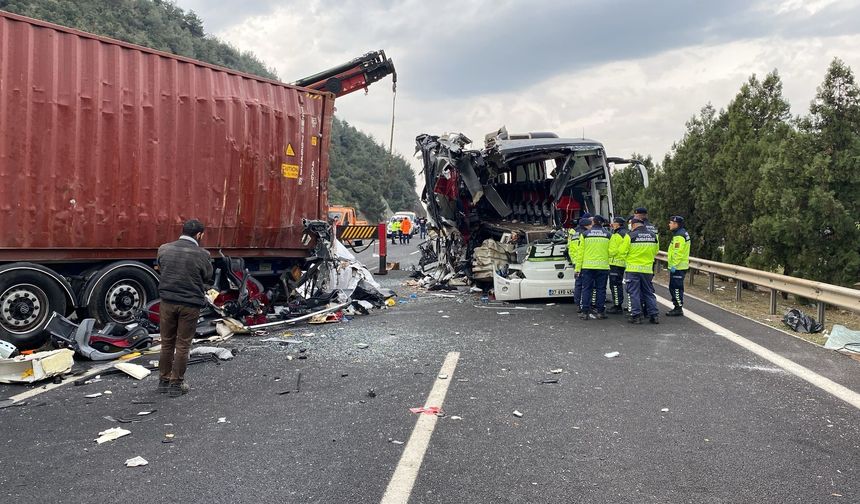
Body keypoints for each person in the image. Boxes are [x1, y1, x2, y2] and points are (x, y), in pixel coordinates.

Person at [157, 219, 213, 397]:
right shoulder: (202, 254)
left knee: (167, 342)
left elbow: (161, 268)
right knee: (183, 344)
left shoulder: (164, 249)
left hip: (167, 302)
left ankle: (163, 381)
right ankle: (176, 384)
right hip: (190, 305)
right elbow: (207, 277)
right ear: (199, 235)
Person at [618, 218, 660, 324]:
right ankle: (654, 315)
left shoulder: (630, 236)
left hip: (633, 269)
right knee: (649, 292)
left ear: (634, 225)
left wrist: (627, 260)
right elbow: (656, 251)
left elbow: (622, 252)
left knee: (634, 293)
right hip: (647, 269)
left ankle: (636, 316)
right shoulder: (653, 236)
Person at [576, 216, 611, 320]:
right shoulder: (608, 235)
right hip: (603, 266)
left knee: (587, 289)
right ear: (602, 223)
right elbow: (613, 251)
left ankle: (585, 312)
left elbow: (580, 253)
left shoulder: (585, 234)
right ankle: (600, 312)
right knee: (601, 289)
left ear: (593, 222)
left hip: (587, 266)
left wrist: (577, 268)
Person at [666, 215, 691, 316]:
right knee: (674, 287)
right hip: (680, 266)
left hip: (678, 267)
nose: (669, 224)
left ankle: (678, 308)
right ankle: (677, 306)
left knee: (676, 288)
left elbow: (678, 252)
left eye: (671, 223)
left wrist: (674, 265)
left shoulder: (679, 236)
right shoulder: (681, 233)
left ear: (676, 224)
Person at [568, 214, 591, 312]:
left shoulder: (574, 232)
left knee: (579, 283)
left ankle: (578, 303)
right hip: (583, 261)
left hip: (575, 260)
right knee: (585, 285)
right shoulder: (585, 234)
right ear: (586, 225)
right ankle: (584, 305)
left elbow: (570, 246)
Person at [606, 216, 629, 314]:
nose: (612, 225)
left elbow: (613, 250)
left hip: (615, 263)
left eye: (614, 223)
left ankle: (617, 305)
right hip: (622, 263)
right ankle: (618, 304)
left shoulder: (617, 235)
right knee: (618, 284)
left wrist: (606, 252)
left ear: (618, 224)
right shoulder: (626, 233)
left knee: (615, 285)